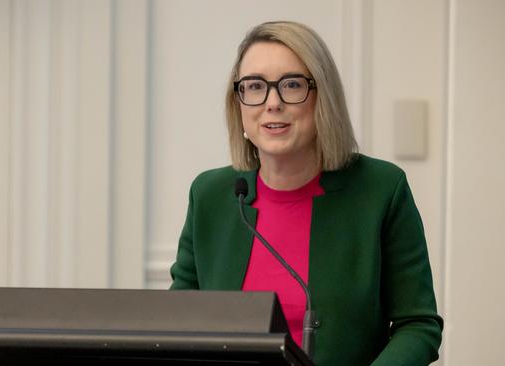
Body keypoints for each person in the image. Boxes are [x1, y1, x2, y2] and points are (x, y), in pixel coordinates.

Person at [169, 21, 443, 366]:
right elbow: (178, 324)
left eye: (292, 84)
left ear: (323, 99)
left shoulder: (381, 189)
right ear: (238, 103)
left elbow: (418, 325)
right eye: (254, 86)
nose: (272, 102)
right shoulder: (210, 195)